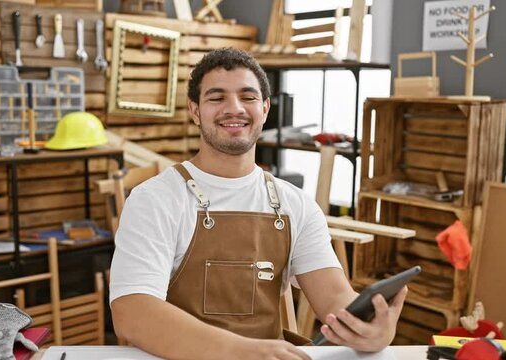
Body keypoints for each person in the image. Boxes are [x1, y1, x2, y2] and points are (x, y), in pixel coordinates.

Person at [109, 47, 407, 360]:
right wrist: (240, 352)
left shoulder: (296, 205)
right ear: (195, 110)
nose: (234, 108)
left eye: (248, 97)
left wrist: (372, 329)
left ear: (264, 109)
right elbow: (133, 312)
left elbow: (335, 297)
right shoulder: (155, 199)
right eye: (216, 97)